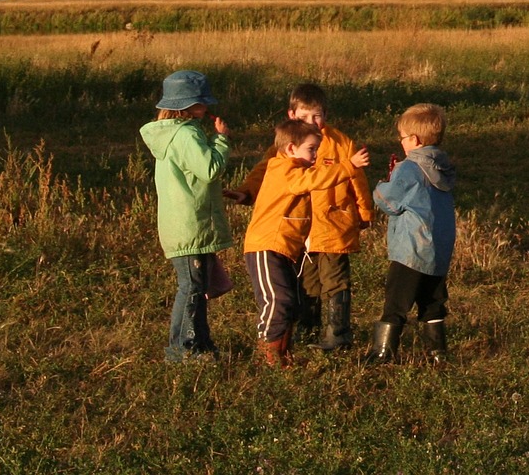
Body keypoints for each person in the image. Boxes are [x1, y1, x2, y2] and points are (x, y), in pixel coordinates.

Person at [226, 84, 374, 351]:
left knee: (335, 280)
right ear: (292, 115)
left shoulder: (340, 143)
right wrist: (246, 192)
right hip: (300, 233)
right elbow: (265, 173)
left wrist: (364, 212)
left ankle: (337, 336)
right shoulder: (286, 147)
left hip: (333, 225)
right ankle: (306, 332)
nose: (312, 123)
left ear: (326, 115)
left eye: (317, 116)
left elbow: (357, 182)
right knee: (305, 283)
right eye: (306, 117)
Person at [240, 118, 355, 366]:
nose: (315, 155)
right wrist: (348, 166)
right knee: (277, 300)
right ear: (291, 148)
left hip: (285, 249)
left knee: (290, 300)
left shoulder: (295, 169)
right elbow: (314, 181)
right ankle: (268, 354)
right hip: (266, 246)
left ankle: (283, 353)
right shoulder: (285, 169)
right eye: (311, 149)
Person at [139, 69, 231, 362]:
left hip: (179, 223)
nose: (207, 108)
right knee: (191, 288)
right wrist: (221, 140)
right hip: (192, 224)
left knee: (195, 287)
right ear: (188, 106)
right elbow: (209, 170)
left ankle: (200, 345)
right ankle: (182, 350)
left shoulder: (166, 134)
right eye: (202, 103)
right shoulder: (187, 133)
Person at [370, 102, 457, 364]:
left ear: (414, 140)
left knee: (396, 302)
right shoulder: (443, 167)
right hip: (438, 251)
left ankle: (383, 353)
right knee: (432, 301)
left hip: (410, 249)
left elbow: (388, 203)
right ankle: (437, 354)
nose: (401, 142)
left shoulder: (408, 168)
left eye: (403, 138)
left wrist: (382, 184)